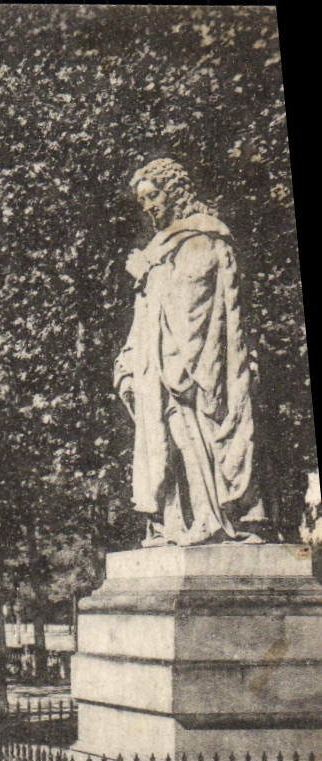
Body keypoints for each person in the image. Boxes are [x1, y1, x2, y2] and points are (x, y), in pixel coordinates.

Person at [115, 157, 263, 547]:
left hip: (190, 369)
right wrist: (130, 362)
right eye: (142, 200)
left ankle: (211, 520)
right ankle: (175, 523)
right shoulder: (161, 247)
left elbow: (191, 307)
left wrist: (146, 273)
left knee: (188, 435)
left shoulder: (200, 238)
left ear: (174, 192)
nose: (148, 206)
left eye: (153, 195)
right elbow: (146, 315)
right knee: (167, 441)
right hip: (159, 367)